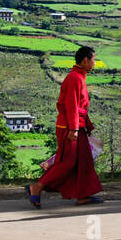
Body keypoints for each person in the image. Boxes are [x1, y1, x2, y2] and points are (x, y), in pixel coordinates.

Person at [27, 46, 102, 207]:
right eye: (93, 59)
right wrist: (74, 129)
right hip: (69, 127)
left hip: (75, 125)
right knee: (68, 162)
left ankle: (83, 195)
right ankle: (37, 187)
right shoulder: (74, 78)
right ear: (85, 61)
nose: (95, 63)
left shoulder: (79, 76)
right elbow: (71, 106)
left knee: (84, 160)